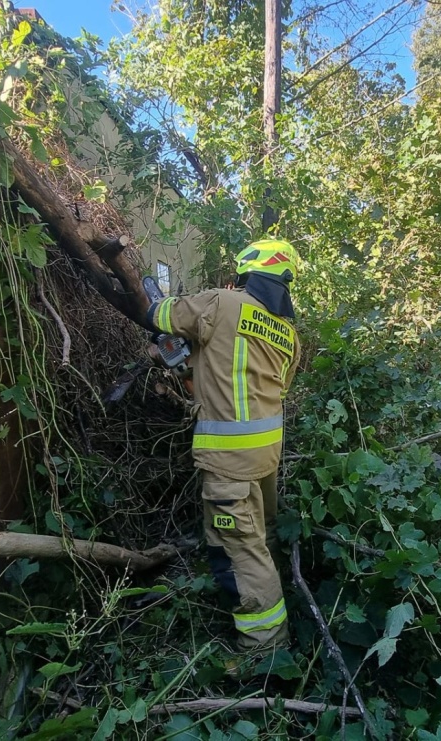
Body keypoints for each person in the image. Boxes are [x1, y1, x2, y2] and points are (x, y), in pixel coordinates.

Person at [148, 238, 301, 655]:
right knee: (260, 537)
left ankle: (266, 651)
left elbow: (157, 313)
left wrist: (158, 303)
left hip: (229, 463)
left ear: (247, 270)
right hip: (265, 457)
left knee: (242, 551)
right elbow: (261, 385)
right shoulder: (287, 334)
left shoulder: (222, 303)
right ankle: (272, 601)